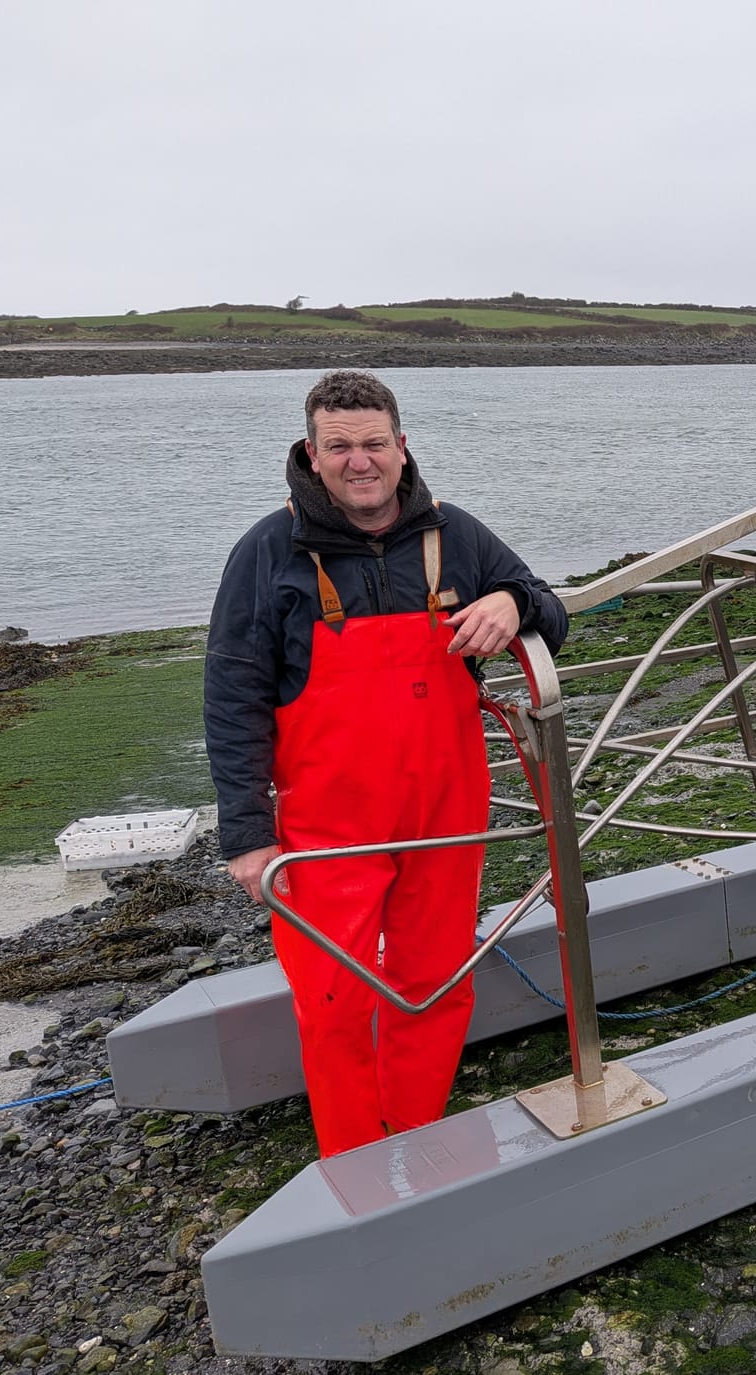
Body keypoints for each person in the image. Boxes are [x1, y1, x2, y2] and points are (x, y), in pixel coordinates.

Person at [205, 370, 569, 1156]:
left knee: (435, 980)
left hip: (447, 807)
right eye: (340, 447)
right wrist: (245, 833)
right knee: (331, 1000)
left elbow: (551, 607)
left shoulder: (457, 533)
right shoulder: (268, 552)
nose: (359, 461)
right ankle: (352, 1160)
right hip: (327, 823)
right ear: (312, 452)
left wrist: (515, 602)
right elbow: (232, 695)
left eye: (374, 444)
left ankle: (416, 1133)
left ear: (402, 449)